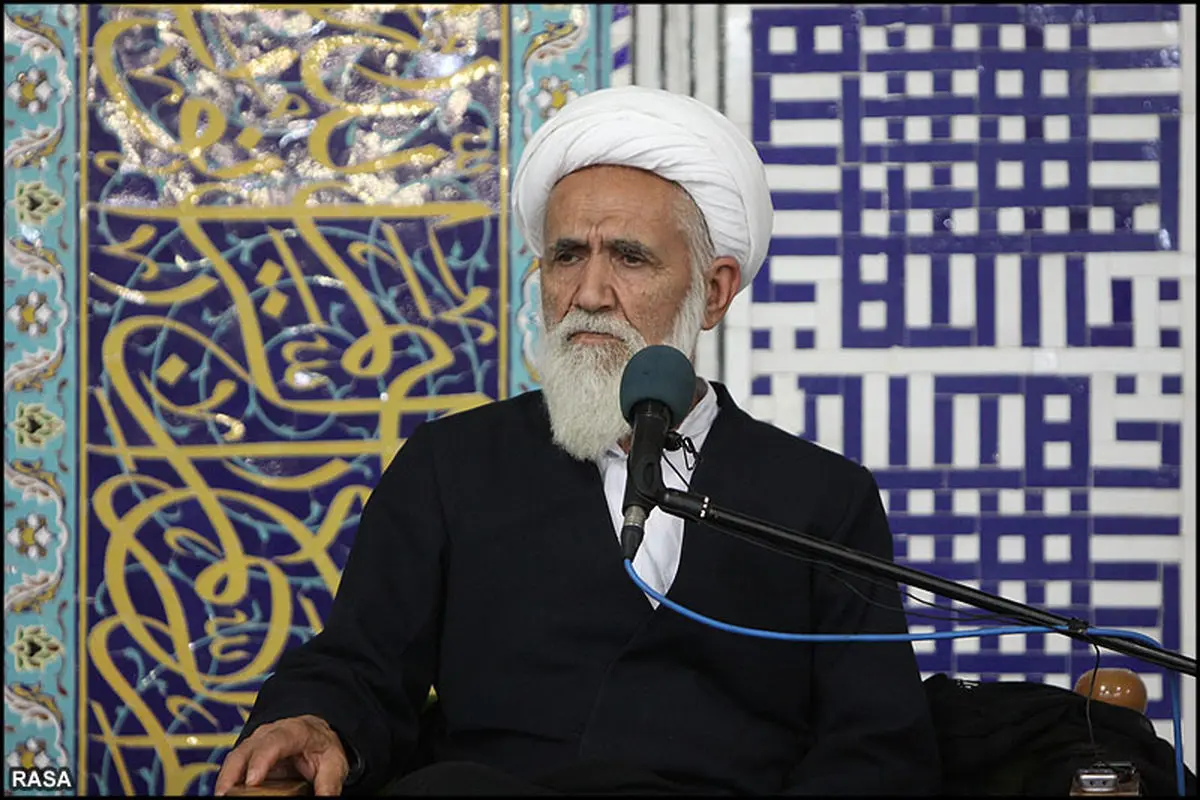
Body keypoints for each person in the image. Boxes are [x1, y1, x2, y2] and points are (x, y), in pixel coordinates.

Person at [215, 86, 940, 797]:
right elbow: (359, 666)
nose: (589, 293)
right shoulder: (452, 466)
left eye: (629, 257)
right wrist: (316, 722)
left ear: (714, 292)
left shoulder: (819, 498)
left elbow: (874, 747)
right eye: (566, 257)